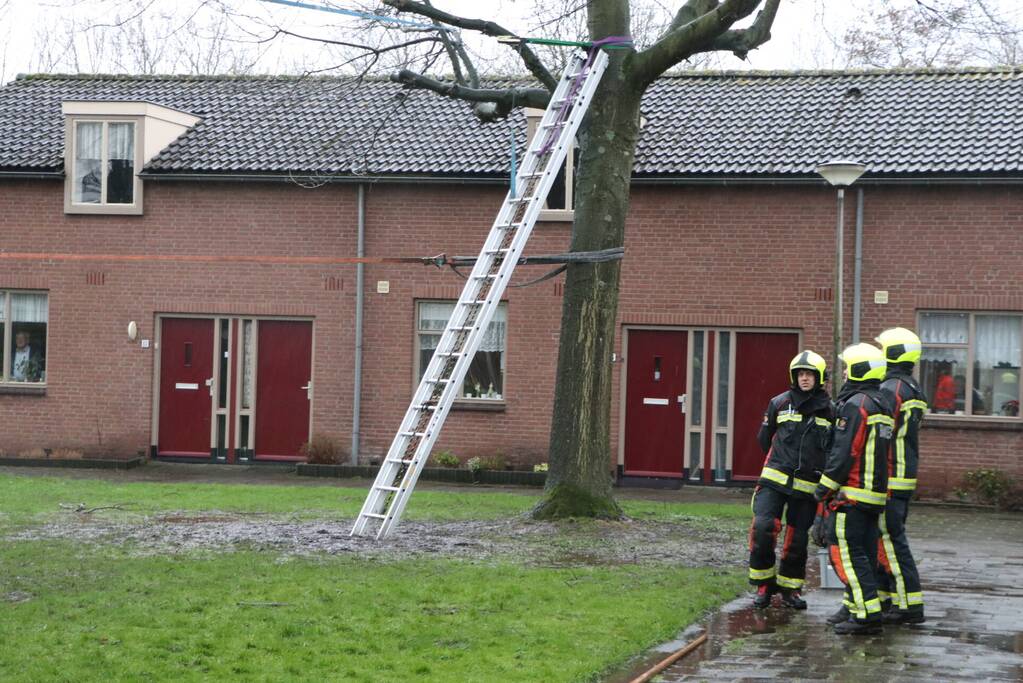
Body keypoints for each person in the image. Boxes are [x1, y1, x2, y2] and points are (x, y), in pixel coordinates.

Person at [815, 342, 894, 635]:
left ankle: (866, 616)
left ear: (861, 370)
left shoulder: (856, 404)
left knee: (848, 554)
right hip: (873, 495)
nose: (845, 373)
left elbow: (845, 451)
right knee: (865, 554)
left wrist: (823, 489)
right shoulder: (881, 405)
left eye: (849, 368)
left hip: (853, 494)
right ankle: (854, 606)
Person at [748, 350, 834, 610]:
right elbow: (764, 438)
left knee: (797, 540)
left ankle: (790, 589)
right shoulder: (779, 403)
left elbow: (833, 450)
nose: (804, 378)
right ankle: (764, 585)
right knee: (763, 527)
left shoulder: (831, 410)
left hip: (808, 487)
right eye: (800, 374)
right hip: (774, 480)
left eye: (809, 374)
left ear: (819, 378)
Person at [875, 327, 928, 625]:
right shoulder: (913, 387)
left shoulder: (891, 388)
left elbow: (881, 431)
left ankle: (910, 606)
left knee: (893, 541)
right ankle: (889, 599)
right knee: (885, 540)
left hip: (891, 476)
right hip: (904, 475)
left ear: (892, 354)